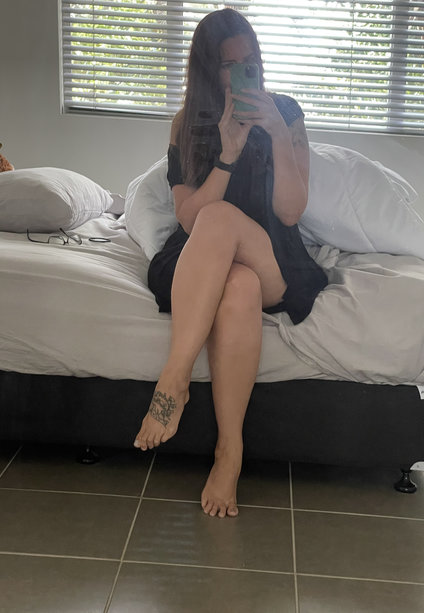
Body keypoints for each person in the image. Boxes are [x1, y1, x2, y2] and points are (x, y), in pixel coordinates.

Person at [134, 8, 328, 518]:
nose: (245, 70)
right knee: (237, 285)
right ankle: (229, 453)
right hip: (204, 253)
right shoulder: (187, 123)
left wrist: (278, 134)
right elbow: (189, 218)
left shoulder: (286, 112)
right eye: (229, 64)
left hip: (270, 254)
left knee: (231, 239)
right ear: (208, 69)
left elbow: (291, 211)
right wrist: (228, 154)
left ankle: (173, 379)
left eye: (251, 59)